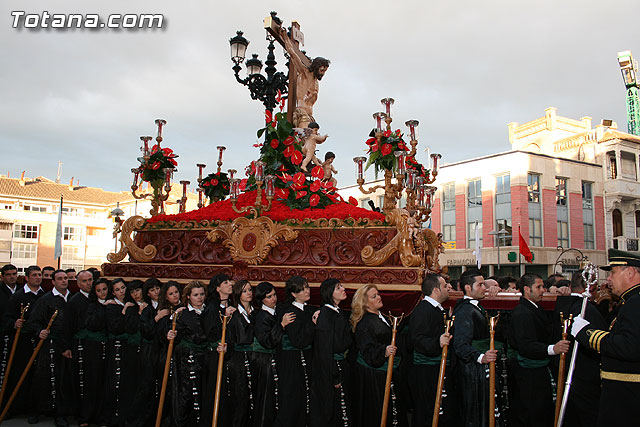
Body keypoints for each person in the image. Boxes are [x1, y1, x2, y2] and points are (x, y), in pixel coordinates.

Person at [572, 249, 640, 426]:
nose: (608, 278)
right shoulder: (629, 302)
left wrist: (586, 333)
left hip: (628, 397)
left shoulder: (635, 303)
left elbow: (629, 346)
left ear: (630, 272)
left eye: (613, 272)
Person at [508, 273, 570, 427]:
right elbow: (526, 345)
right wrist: (552, 349)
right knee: (532, 413)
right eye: (539, 287)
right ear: (527, 289)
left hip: (537, 370)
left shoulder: (535, 308)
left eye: (543, 286)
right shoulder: (523, 312)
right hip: (529, 373)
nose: (543, 290)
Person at [552, 269, 606, 427]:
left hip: (565, 370)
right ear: (591, 287)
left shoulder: (561, 305)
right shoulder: (587, 310)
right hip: (585, 374)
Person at [452, 269, 503, 427]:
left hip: (477, 370)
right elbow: (460, 345)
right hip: (472, 372)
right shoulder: (465, 311)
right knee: (475, 413)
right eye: (480, 284)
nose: (484, 288)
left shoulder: (475, 307)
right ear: (468, 288)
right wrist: (481, 357)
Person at [351, 284, 406, 427]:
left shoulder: (382, 317)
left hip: (388, 372)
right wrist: (384, 351)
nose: (379, 298)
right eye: (374, 296)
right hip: (374, 377)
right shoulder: (364, 323)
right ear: (365, 302)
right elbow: (367, 350)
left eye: (378, 294)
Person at [24, 269, 73, 427]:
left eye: (65, 278)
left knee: (63, 381)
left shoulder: (71, 298)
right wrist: (40, 331)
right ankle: (35, 410)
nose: (64, 281)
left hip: (67, 345)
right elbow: (33, 321)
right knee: (43, 378)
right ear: (53, 282)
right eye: (59, 279)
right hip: (50, 345)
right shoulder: (46, 300)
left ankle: (61, 413)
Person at [409, 273, 454, 426]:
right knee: (428, 410)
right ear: (435, 290)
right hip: (427, 371)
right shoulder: (423, 310)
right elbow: (417, 339)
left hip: (437, 367)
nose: (448, 288)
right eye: (444, 286)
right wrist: (437, 342)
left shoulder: (437, 309)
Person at [274, 276, 318, 426]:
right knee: (292, 400)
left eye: (307, 287)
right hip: (293, 363)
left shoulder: (308, 309)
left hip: (304, 360)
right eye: (302, 288)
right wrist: (312, 324)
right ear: (294, 293)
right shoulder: (290, 312)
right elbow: (299, 341)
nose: (307, 290)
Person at [1, 265, 44, 417]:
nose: (38, 277)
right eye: (34, 275)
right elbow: (7, 317)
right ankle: (14, 407)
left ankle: (33, 409)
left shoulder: (43, 296)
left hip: (39, 340)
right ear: (27, 278)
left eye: (40, 275)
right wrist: (14, 323)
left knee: (37, 375)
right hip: (21, 341)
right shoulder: (18, 296)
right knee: (18, 373)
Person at [166, 281, 209, 426]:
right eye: (196, 295)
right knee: (186, 394)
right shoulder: (182, 314)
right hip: (187, 360)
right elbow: (175, 333)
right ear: (188, 296)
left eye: (202, 294)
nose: (199, 298)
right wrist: (171, 334)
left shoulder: (209, 312)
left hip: (204, 359)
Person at [312, 278, 352, 427]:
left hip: (340, 364)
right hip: (332, 368)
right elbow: (324, 349)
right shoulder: (326, 315)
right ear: (330, 293)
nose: (343, 289)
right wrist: (335, 375)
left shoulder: (337, 312)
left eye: (341, 286)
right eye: (338, 288)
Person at [252, 282, 291, 427]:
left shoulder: (276, 311)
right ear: (262, 299)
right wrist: (281, 325)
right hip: (266, 363)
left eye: (274, 295)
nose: (273, 299)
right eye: (269, 297)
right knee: (266, 399)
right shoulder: (262, 317)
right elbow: (268, 342)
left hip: (275, 360)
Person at [280, 26, 330, 129]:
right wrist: (285, 37)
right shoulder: (305, 73)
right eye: (322, 70)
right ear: (316, 66)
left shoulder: (316, 81)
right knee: (306, 139)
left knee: (312, 142)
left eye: (324, 71)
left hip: (310, 116)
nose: (323, 74)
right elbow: (292, 53)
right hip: (301, 113)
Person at [66, 270, 97, 427]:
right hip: (79, 346)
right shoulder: (74, 301)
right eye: (84, 281)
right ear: (78, 284)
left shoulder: (96, 298)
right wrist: (67, 347)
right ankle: (81, 415)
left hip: (94, 347)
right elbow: (68, 326)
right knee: (81, 381)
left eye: (90, 280)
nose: (88, 283)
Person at [227, 279, 255, 427]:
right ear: (238, 294)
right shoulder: (233, 314)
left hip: (254, 358)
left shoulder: (256, 312)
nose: (248, 293)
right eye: (244, 291)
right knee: (240, 397)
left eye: (250, 290)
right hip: (238, 360)